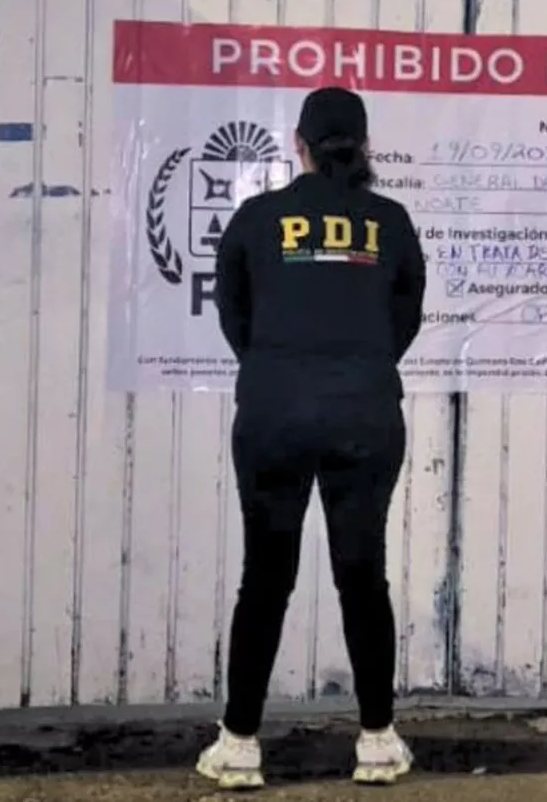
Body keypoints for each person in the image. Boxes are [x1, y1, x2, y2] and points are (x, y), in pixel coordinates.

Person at [195, 86, 427, 790]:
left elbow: (233, 313)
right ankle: (378, 741)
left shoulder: (257, 218)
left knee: (264, 577)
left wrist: (278, 368)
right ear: (364, 146)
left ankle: (239, 744)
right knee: (363, 575)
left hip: (273, 411)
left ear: (298, 142)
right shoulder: (390, 219)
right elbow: (404, 320)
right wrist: (352, 365)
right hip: (364, 412)